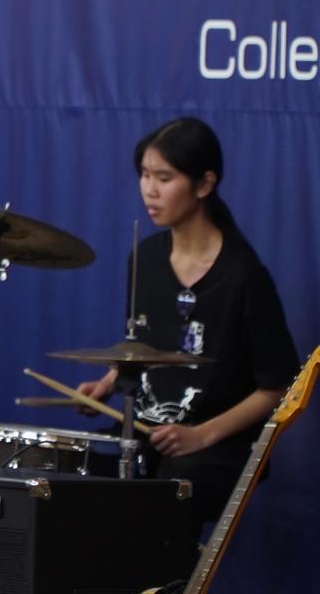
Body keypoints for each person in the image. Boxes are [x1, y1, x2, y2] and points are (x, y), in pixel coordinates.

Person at [77, 116, 298, 541]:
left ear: (204, 184)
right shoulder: (144, 257)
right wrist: (107, 383)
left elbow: (277, 388)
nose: (149, 189)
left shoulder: (244, 275)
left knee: (167, 495)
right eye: (144, 175)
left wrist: (200, 435)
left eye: (164, 178)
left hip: (215, 445)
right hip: (145, 432)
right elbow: (143, 345)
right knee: (73, 474)